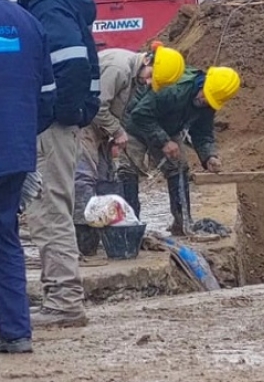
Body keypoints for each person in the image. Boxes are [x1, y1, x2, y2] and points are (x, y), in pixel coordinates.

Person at [2, 0, 101, 329]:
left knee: (48, 210)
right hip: (62, 123)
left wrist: (50, 114)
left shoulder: (50, 7)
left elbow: (71, 66)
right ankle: (61, 296)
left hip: (54, 127)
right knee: (50, 207)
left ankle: (64, 302)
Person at [0, 0, 56, 353]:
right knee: (4, 240)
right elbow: (48, 96)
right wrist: (19, 138)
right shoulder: (27, 21)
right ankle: (16, 333)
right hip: (13, 156)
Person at [74, 43, 186, 261]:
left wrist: (117, 133)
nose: (148, 81)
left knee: (106, 178)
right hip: (83, 124)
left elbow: (122, 109)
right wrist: (117, 132)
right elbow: (98, 106)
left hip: (99, 128)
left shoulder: (134, 75)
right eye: (151, 75)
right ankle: (83, 239)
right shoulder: (119, 68)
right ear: (147, 60)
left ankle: (102, 235)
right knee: (84, 179)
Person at [121, 65, 241, 235]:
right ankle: (130, 228)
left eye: (210, 100)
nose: (205, 101)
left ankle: (182, 224)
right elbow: (140, 115)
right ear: (203, 85)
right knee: (129, 170)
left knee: (178, 167)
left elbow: (202, 132)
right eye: (205, 96)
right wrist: (164, 141)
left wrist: (209, 156)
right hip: (137, 124)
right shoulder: (173, 91)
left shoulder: (208, 103)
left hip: (167, 127)